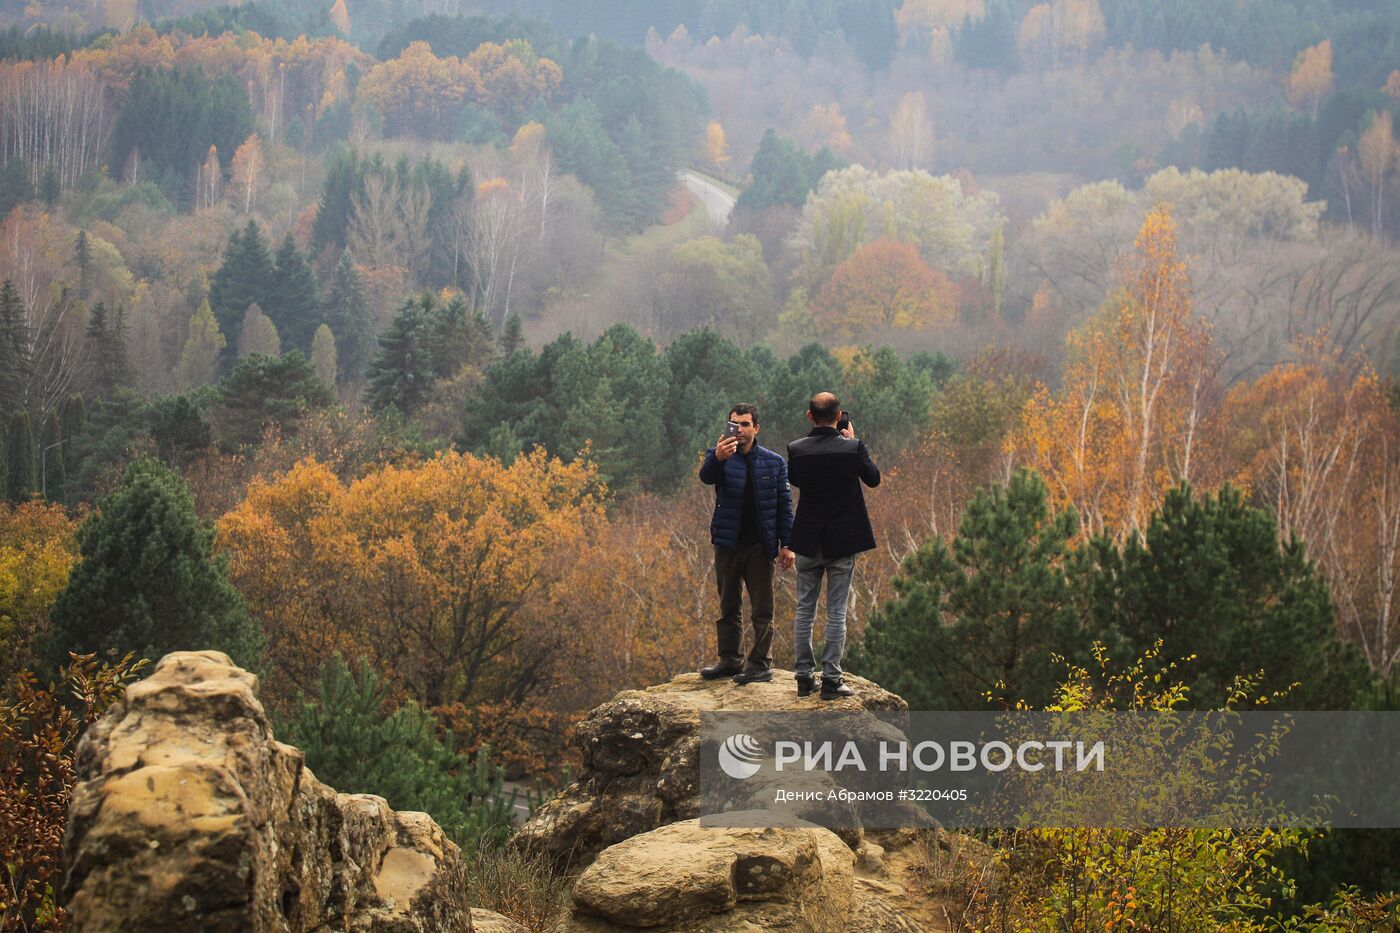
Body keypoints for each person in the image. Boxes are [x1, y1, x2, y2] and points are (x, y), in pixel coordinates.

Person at [786, 392, 880, 700]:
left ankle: (803, 677)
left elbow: (797, 480)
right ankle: (831, 679)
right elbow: (873, 478)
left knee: (804, 609)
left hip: (808, 538)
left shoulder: (796, 450)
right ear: (839, 417)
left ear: (809, 416)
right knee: (837, 611)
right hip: (842, 539)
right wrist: (853, 441)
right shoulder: (852, 448)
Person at [698, 404, 796, 684]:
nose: (738, 430)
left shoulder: (774, 462)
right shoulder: (720, 456)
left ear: (756, 428)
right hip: (727, 542)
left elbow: (784, 506)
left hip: (759, 545)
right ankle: (729, 659)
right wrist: (717, 457)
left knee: (762, 609)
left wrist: (787, 544)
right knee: (728, 605)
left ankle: (760, 663)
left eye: (744, 424)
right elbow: (707, 477)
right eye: (734, 424)